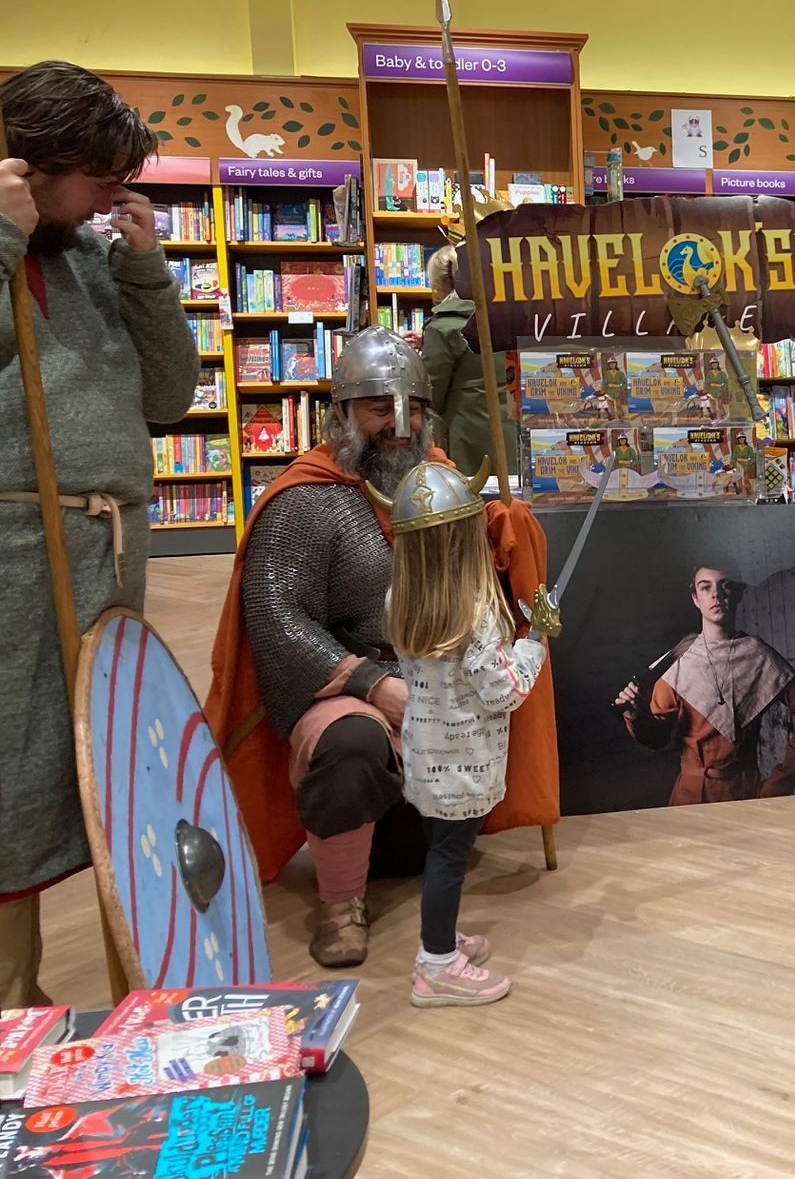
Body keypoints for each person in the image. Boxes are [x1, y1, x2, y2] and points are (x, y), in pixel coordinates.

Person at [207, 327, 559, 968]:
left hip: (446, 681)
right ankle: (341, 905)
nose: (401, 424)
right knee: (351, 746)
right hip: (350, 686)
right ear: (341, 414)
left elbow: (480, 594)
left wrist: (507, 528)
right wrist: (373, 684)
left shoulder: (444, 486)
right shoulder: (307, 501)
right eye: (380, 408)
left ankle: (433, 870)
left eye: (415, 408)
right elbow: (279, 618)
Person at [0, 61, 196, 1006]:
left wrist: (148, 276)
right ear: (29, 165)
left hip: (106, 544)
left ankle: (136, 976)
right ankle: (13, 999)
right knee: (16, 767)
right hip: (14, 553)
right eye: (101, 172)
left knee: (109, 755)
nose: (120, 190)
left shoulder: (90, 256)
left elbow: (167, 398)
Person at [381, 460, 549, 1008]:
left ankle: (440, 937)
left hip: (426, 760)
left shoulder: (399, 602)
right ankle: (435, 967)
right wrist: (533, 643)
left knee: (440, 855)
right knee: (448, 861)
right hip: (466, 761)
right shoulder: (473, 614)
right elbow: (502, 691)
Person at [614, 563, 795, 804]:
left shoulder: (759, 656)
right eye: (706, 588)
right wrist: (636, 714)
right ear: (695, 598)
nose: (716, 594)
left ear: (738, 593)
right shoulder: (679, 660)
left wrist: (777, 785)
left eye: (725, 586)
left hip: (744, 794)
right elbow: (657, 738)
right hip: (689, 797)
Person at [421, 243, 514, 478]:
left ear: (438, 283)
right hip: (511, 424)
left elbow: (431, 393)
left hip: (467, 433)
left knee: (472, 499)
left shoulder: (443, 325)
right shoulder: (501, 315)